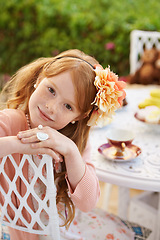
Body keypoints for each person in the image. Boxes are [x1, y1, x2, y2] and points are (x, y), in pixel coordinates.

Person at [0, 49, 127, 240]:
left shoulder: (72, 142)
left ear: (80, 117)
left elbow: (87, 202)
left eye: (68, 106)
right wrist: (19, 144)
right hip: (18, 232)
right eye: (51, 90)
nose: (51, 107)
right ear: (39, 79)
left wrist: (71, 151)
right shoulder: (9, 121)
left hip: (61, 229)